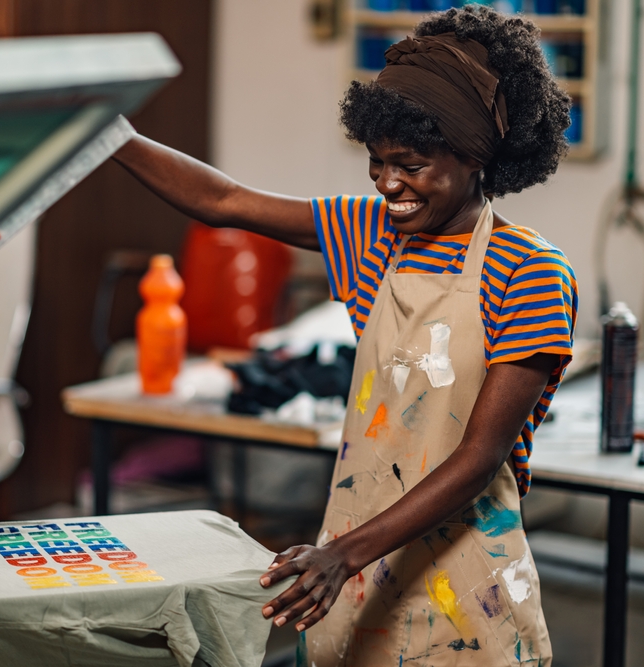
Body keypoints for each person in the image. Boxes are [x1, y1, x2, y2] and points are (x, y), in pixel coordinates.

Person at [112, 6, 576, 664]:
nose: (389, 184)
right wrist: (108, 135)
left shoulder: (531, 272)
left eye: (411, 165)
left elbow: (478, 459)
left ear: (475, 157)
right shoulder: (369, 235)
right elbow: (223, 200)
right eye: (377, 162)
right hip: (355, 573)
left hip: (466, 592)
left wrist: (339, 555)